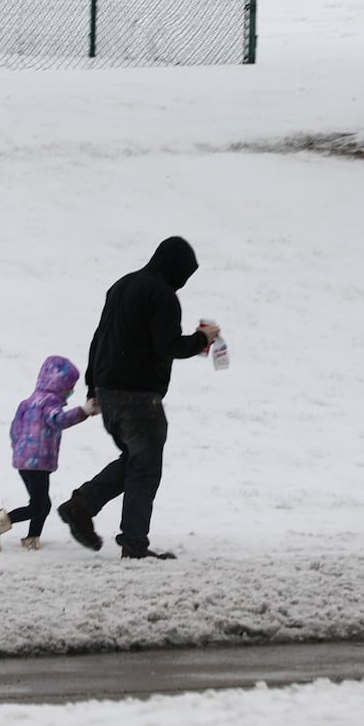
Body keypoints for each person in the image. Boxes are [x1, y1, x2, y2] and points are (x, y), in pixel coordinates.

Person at [57, 236, 220, 560]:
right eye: (184, 274)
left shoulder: (122, 286)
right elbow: (167, 345)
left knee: (135, 461)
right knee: (145, 468)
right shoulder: (162, 295)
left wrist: (94, 386)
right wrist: (202, 339)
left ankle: (81, 506)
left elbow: (99, 337)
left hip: (109, 391)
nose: (182, 282)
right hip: (139, 396)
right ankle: (133, 543)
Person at [0, 355, 99, 552]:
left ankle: (32, 538)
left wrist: (21, 450)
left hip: (24, 461)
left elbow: (14, 430)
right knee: (38, 506)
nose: (71, 391)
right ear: (59, 383)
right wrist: (83, 411)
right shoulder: (50, 402)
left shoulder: (27, 402)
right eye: (70, 386)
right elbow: (58, 420)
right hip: (38, 462)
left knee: (42, 503)